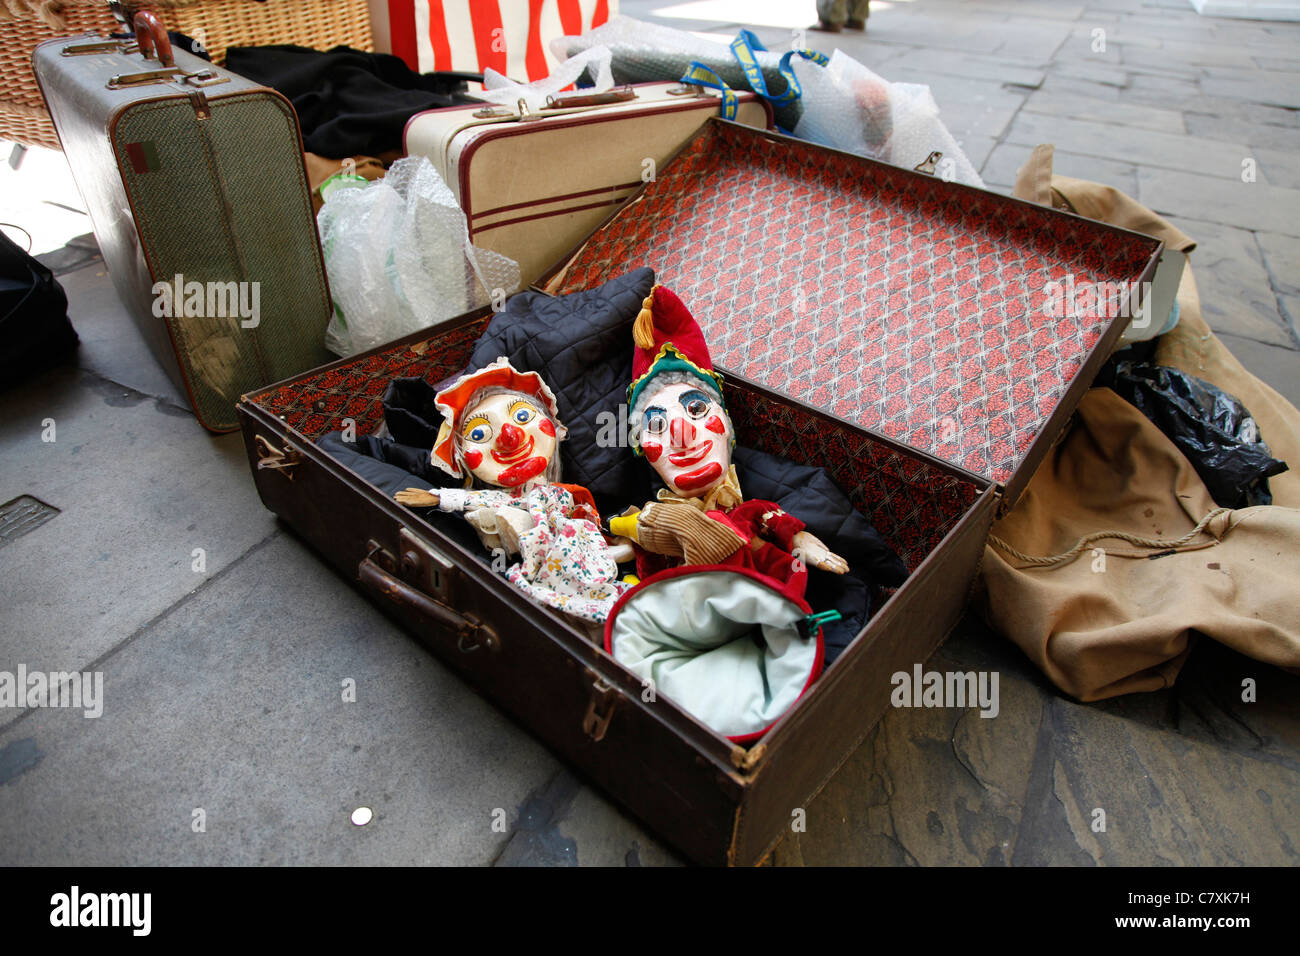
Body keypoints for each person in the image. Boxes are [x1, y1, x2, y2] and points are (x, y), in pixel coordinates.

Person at [395, 357, 632, 623]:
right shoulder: (510, 501)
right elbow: (488, 498)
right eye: (480, 434)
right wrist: (439, 497)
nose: (509, 435)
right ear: (461, 458)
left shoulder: (563, 494)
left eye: (522, 416)